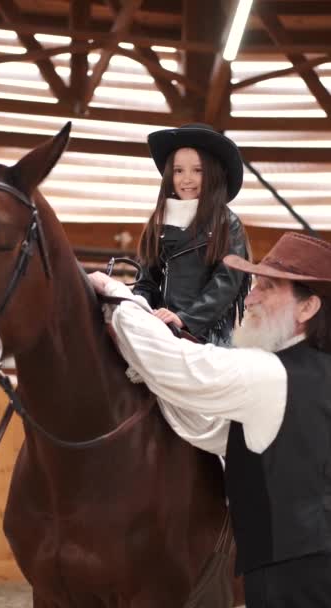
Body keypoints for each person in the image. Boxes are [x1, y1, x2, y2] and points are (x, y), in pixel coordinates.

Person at [89, 231, 331, 607]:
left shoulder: (267, 373)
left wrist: (116, 297)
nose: (249, 298)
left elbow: (178, 367)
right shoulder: (314, 375)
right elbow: (216, 429)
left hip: (291, 577)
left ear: (307, 308)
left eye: (267, 287)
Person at [133, 122, 250, 345]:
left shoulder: (228, 223)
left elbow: (225, 284)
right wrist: (138, 307)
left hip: (207, 335)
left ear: (214, 173)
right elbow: (147, 280)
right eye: (178, 171)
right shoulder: (159, 221)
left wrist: (185, 319)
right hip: (160, 326)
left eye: (198, 170)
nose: (186, 179)